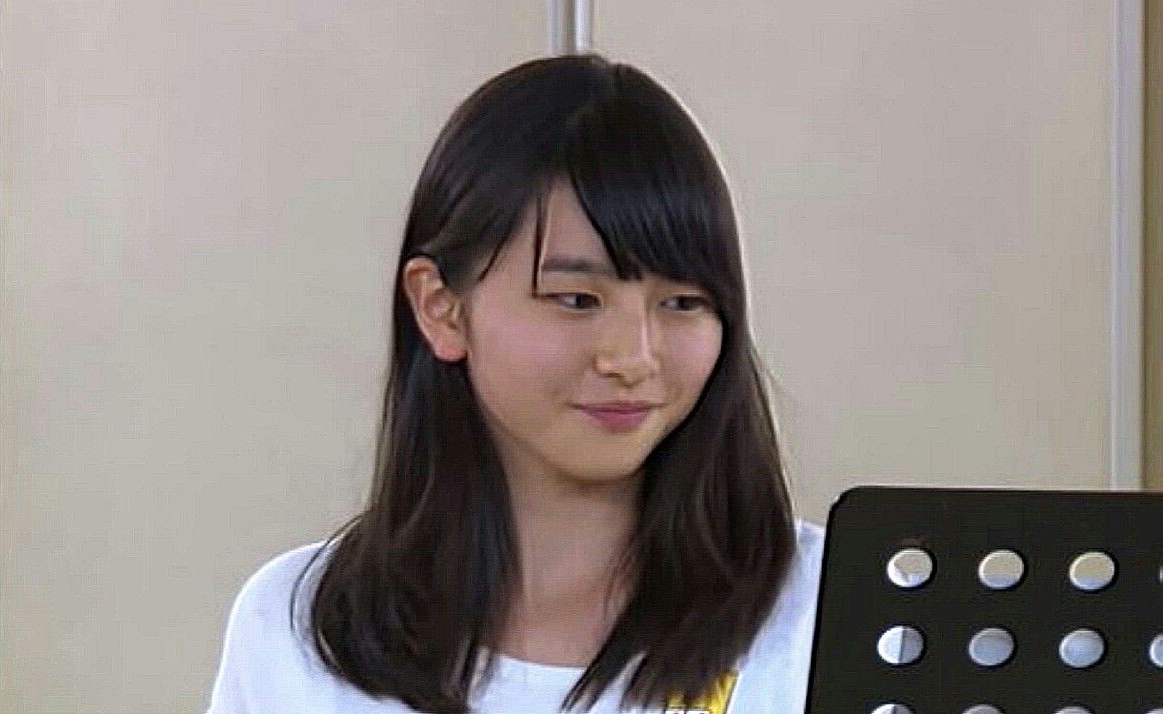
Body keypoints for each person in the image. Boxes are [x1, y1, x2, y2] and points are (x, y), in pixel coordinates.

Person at [205, 53, 823, 714]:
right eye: (577, 300)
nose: (634, 357)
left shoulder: (829, 612)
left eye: (683, 303)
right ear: (441, 308)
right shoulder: (300, 628)